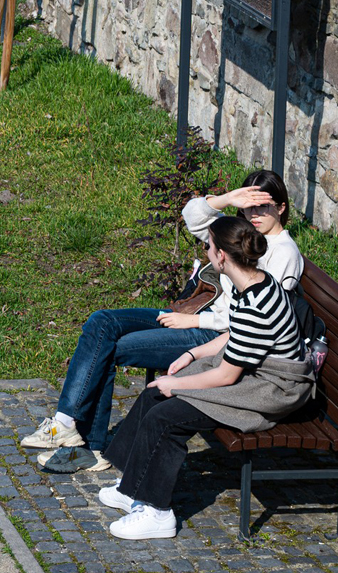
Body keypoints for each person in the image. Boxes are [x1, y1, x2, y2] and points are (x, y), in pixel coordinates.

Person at [20, 171, 303, 474]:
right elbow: (191, 216)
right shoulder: (239, 233)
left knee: (112, 348)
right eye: (248, 205)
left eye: (264, 206)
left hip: (212, 333)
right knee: (102, 323)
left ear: (282, 208)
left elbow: (255, 320)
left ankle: (92, 448)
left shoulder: (282, 254)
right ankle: (65, 422)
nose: (254, 213)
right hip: (195, 318)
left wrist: (194, 321)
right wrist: (226, 199)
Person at [96, 213, 316, 539]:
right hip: (253, 372)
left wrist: (178, 383)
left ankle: (157, 513)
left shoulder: (258, 301)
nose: (207, 253)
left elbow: (226, 377)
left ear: (222, 256)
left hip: (273, 387)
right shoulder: (253, 283)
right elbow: (233, 333)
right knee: (153, 394)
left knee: (167, 417)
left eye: (209, 247)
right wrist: (192, 354)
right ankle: (132, 487)